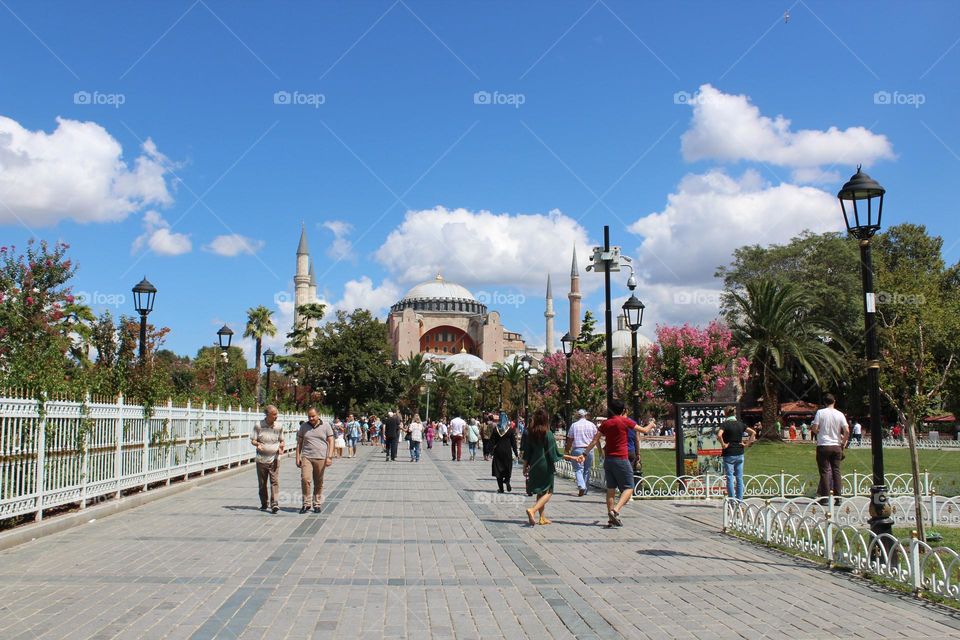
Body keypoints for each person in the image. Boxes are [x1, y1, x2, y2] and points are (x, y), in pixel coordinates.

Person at [582, 399, 637, 527]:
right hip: (622, 459)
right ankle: (616, 510)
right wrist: (651, 424)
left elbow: (595, 440)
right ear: (623, 410)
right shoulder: (625, 421)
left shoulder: (606, 423)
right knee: (629, 487)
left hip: (609, 460)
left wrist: (584, 454)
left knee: (611, 489)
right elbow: (644, 430)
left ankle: (611, 518)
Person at [522, 408, 581, 525]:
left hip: (534, 464)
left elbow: (527, 452)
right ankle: (532, 510)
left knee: (540, 491)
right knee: (548, 491)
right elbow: (555, 454)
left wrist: (525, 467)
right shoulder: (548, 434)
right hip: (545, 465)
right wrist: (574, 458)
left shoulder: (531, 433)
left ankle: (542, 517)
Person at [811, 394, 849, 505]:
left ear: (824, 402)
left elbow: (814, 427)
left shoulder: (820, 413)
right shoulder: (840, 414)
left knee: (824, 472)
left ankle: (825, 498)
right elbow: (846, 431)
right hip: (836, 445)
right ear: (834, 401)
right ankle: (838, 498)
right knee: (836, 471)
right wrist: (842, 443)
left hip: (823, 444)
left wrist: (818, 432)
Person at [296, 408, 334, 513]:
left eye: (313, 416)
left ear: (318, 415)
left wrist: (329, 457)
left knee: (318, 481)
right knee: (305, 479)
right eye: (309, 416)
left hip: (321, 457)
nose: (311, 418)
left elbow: (331, 440)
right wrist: (297, 457)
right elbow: (299, 443)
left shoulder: (326, 426)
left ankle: (317, 504)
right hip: (307, 456)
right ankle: (306, 504)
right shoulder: (304, 427)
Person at [716, 406, 756, 502]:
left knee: (729, 477)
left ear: (725, 414)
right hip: (739, 453)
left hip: (729, 453)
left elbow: (719, 435)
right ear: (734, 413)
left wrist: (723, 444)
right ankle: (740, 500)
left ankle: (732, 500)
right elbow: (753, 432)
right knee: (739, 478)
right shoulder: (740, 424)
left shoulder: (725, 424)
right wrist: (747, 444)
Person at [250, 405, 285, 514]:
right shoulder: (258, 425)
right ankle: (264, 503)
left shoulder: (279, 426)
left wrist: (281, 447)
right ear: (267, 415)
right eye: (274, 414)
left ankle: (275, 504)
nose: (276, 416)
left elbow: (282, 440)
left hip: (274, 459)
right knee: (262, 482)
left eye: (277, 414)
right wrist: (257, 444)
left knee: (274, 481)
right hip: (261, 459)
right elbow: (253, 440)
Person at [565, 409, 597, 497]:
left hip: (577, 449)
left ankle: (581, 486)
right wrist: (600, 450)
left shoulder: (574, 425)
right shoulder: (592, 425)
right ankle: (585, 489)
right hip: (589, 449)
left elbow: (570, 440)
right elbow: (596, 438)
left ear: (578, 416)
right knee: (587, 469)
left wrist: (567, 450)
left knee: (578, 469)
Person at [491, 411, 518, 493]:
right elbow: (513, 443)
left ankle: (501, 488)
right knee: (507, 467)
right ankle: (507, 481)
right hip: (507, 452)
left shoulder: (496, 429)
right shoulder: (510, 430)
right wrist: (516, 453)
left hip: (498, 451)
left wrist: (490, 451)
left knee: (498, 469)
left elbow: (492, 441)